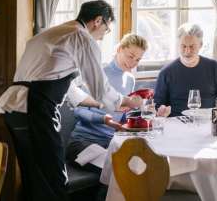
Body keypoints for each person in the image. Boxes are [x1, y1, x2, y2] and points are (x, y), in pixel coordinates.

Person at [0, 0, 143, 201]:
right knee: (53, 176)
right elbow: (100, 89)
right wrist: (128, 102)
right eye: (106, 29)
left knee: (34, 176)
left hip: (15, 109)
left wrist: (97, 104)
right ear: (98, 21)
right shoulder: (82, 37)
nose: (102, 36)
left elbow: (67, 87)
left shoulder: (52, 34)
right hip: (36, 109)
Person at [66, 33, 170, 166]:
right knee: (118, 169)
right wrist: (103, 119)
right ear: (120, 49)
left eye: (138, 60)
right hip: (83, 142)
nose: (133, 63)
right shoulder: (97, 73)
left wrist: (153, 115)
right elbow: (79, 111)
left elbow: (123, 118)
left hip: (112, 142)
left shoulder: (130, 79)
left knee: (144, 165)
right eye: (130, 56)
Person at [154, 23, 217, 117]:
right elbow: (158, 105)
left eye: (192, 46)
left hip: (208, 121)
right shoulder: (166, 72)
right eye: (183, 46)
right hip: (176, 122)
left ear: (200, 45)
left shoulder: (214, 67)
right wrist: (160, 111)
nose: (187, 51)